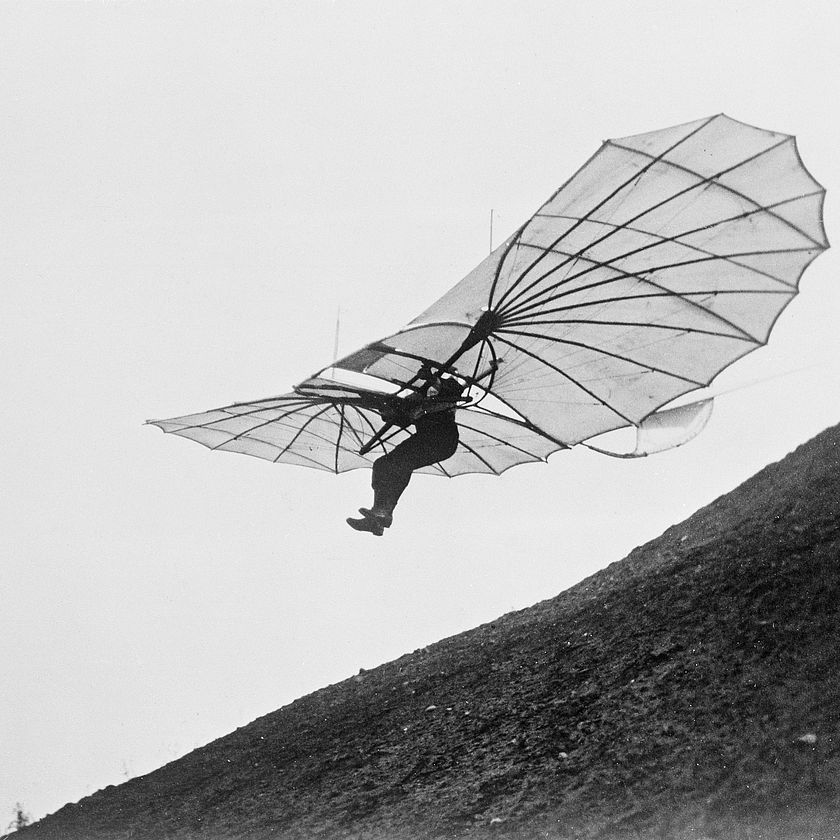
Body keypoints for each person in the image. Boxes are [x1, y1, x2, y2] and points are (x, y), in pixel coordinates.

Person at [347, 367, 464, 536]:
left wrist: (432, 379)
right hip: (425, 438)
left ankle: (383, 513)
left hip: (442, 440)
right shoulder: (419, 395)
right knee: (382, 464)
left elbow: (450, 390)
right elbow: (402, 416)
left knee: (401, 464)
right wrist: (386, 409)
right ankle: (378, 516)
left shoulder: (450, 386)